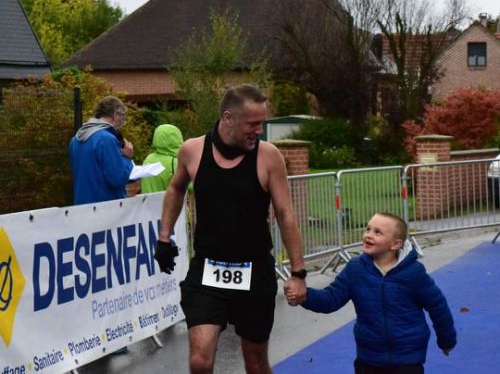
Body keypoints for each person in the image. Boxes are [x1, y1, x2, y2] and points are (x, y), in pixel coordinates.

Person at [154, 84, 307, 374]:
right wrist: (164, 237)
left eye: (262, 123)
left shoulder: (268, 156)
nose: (259, 131)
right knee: (200, 361)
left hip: (254, 270)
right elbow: (175, 189)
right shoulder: (192, 150)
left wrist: (298, 273)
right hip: (207, 270)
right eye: (252, 124)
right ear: (228, 118)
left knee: (255, 362)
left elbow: (285, 214)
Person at [287, 212, 456, 374]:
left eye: (377, 232)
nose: (368, 235)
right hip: (369, 357)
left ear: (395, 244)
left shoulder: (413, 273)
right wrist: (305, 295)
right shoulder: (355, 269)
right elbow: (331, 299)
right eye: (368, 229)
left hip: (407, 358)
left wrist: (446, 340)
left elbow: (438, 307)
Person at [69, 95, 134, 205]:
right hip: (106, 206)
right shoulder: (107, 139)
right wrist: (126, 157)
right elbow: (118, 179)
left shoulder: (75, 140)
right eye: (122, 117)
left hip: (81, 205)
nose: (123, 122)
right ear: (115, 114)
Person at [140, 124, 184, 193]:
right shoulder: (175, 162)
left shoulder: (148, 158)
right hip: (166, 199)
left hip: (147, 199)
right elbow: (190, 186)